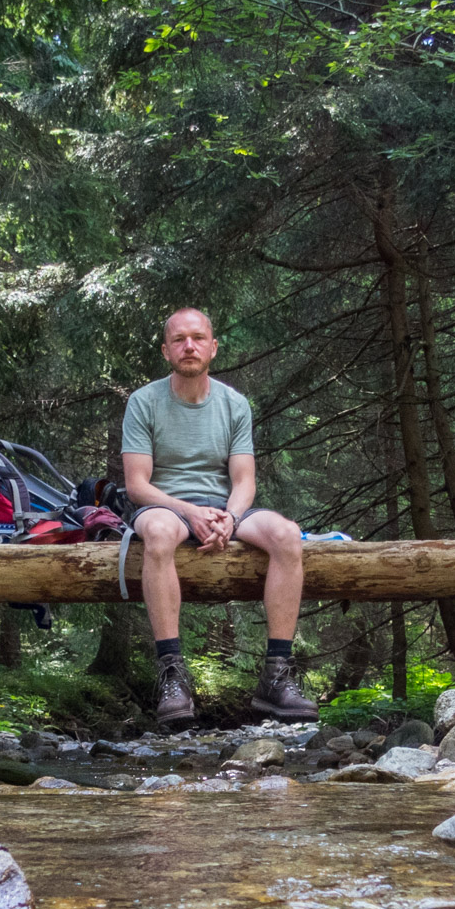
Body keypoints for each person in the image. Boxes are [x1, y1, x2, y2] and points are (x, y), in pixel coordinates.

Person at [122, 308, 317, 726]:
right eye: (179, 340)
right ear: (165, 350)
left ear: (212, 347)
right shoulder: (144, 402)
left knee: (287, 534)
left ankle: (277, 674)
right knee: (156, 532)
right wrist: (189, 512)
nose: (188, 346)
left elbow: (244, 480)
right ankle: (172, 675)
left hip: (225, 508)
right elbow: (137, 485)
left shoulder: (234, 404)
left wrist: (229, 518)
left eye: (197, 338)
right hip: (167, 508)